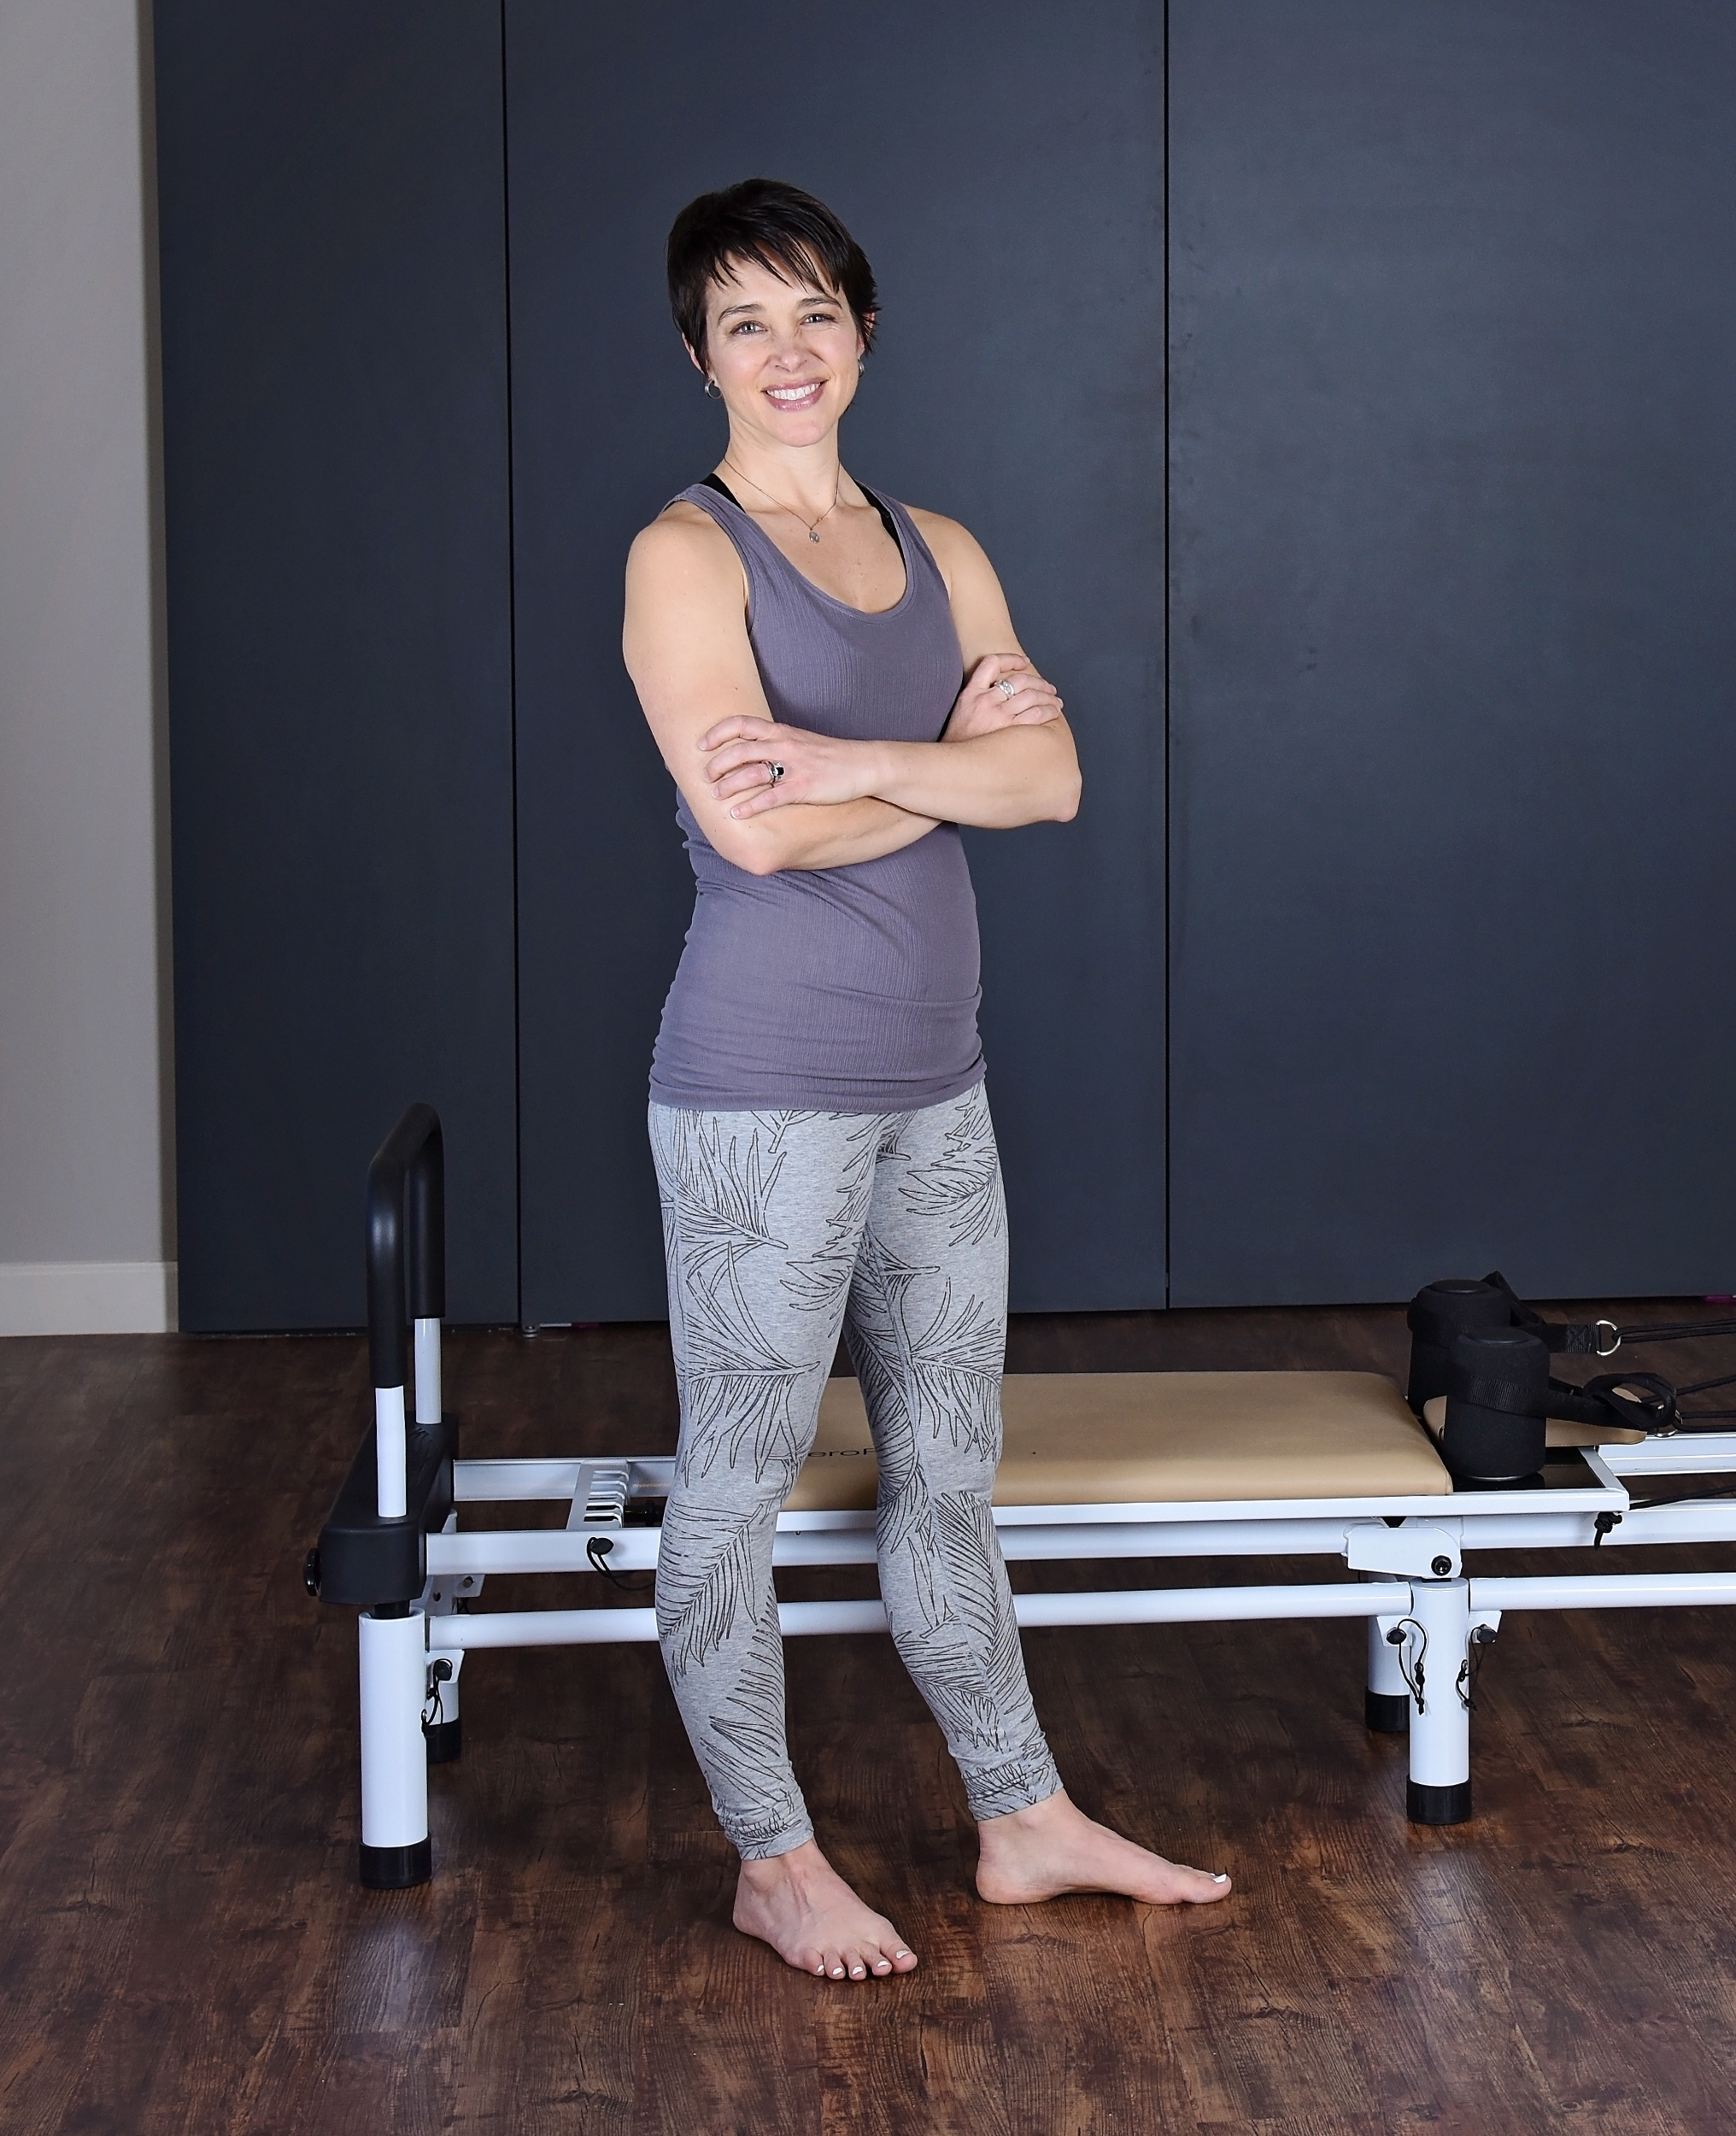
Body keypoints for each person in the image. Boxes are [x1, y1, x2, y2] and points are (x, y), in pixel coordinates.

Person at [621, 179, 1231, 1984]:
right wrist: (944, 760)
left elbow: (1052, 787)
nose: (784, 351)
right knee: (731, 1480)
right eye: (745, 322)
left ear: (862, 331)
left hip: (933, 1086)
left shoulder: (942, 545)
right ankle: (771, 1854)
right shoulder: (683, 553)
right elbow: (753, 834)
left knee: (946, 1473)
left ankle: (1022, 1816)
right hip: (757, 1091)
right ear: (697, 353)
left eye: (812, 311)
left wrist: (859, 760)